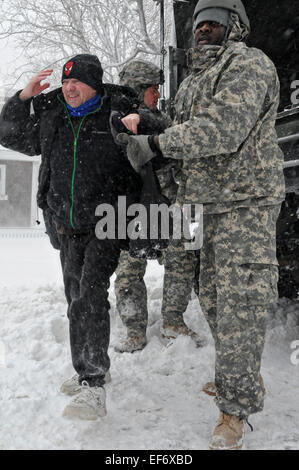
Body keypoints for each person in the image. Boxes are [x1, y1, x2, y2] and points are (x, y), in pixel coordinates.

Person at [117, 0, 285, 450]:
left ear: (236, 26)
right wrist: (146, 123)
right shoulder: (192, 82)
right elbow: (181, 131)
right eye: (198, 24)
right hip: (202, 205)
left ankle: (235, 409)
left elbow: (222, 129)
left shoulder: (248, 64)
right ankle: (239, 377)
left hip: (243, 205)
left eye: (213, 22)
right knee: (211, 297)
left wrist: (154, 141)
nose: (203, 29)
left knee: (239, 305)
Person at [0, 54, 143, 421]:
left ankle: (93, 383)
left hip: (106, 222)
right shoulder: (53, 118)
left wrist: (139, 121)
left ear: (94, 85)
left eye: (76, 82)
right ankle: (90, 367)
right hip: (65, 223)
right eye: (64, 83)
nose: (69, 89)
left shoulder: (115, 114)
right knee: (75, 298)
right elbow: (10, 135)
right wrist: (22, 99)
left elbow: (155, 125)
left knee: (90, 296)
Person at [113, 60, 200, 353]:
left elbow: (166, 137)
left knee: (182, 260)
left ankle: (173, 321)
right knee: (127, 270)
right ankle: (134, 330)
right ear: (137, 90)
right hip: (131, 210)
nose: (158, 94)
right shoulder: (115, 119)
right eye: (152, 89)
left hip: (168, 205)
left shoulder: (159, 119)